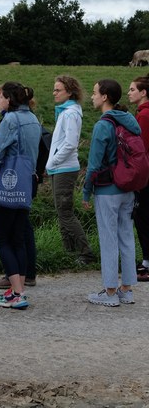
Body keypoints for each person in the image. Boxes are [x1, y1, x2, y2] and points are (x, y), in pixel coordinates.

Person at [83, 79, 139, 306]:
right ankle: (127, 289)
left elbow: (94, 164)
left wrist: (86, 191)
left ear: (105, 96)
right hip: (128, 188)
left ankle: (109, 292)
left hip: (107, 190)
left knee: (108, 240)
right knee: (126, 237)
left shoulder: (103, 125)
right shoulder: (129, 120)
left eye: (95, 92)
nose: (92, 96)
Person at [0, 82, 41, 309]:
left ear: (8, 99)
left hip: (9, 184)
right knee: (18, 238)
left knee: (3, 239)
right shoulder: (33, 119)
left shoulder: (10, 120)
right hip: (27, 182)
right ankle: (18, 288)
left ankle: (18, 293)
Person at [46, 75, 95, 265]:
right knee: (62, 211)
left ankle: (86, 253)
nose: (54, 93)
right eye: (54, 89)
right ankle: (69, 252)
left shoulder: (70, 114)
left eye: (58, 90)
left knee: (65, 212)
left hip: (64, 168)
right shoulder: (66, 111)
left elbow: (70, 143)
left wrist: (53, 162)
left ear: (69, 92)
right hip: (59, 168)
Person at [127, 74, 149, 281]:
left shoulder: (144, 115)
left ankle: (147, 263)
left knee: (143, 217)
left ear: (143, 93)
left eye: (132, 89)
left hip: (146, 176)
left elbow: (141, 149)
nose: (129, 93)